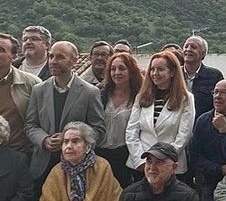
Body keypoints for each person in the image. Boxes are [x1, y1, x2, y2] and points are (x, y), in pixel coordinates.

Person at [25, 40, 107, 182]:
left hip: (78, 166)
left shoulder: (90, 92)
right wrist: (44, 140)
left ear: (74, 61)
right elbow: (30, 125)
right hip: (43, 165)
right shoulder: (38, 90)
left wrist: (70, 139)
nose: (53, 61)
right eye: (51, 56)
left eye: (60, 57)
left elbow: (98, 129)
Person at [126, 50, 195, 177]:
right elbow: (131, 131)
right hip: (142, 165)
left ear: (172, 72)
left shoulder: (186, 99)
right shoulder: (141, 96)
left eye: (160, 69)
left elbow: (184, 135)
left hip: (171, 167)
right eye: (152, 69)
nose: (155, 73)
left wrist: (165, 161)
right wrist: (142, 161)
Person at [97, 50, 144, 185]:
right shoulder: (100, 94)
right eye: (113, 69)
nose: (117, 72)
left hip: (125, 155)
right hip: (99, 154)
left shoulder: (140, 97)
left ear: (131, 71)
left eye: (122, 68)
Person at [180, 35, 224, 119]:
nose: (188, 49)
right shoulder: (174, 74)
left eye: (193, 47)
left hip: (203, 123)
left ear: (203, 54)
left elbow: (220, 104)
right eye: (186, 46)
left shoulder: (214, 76)